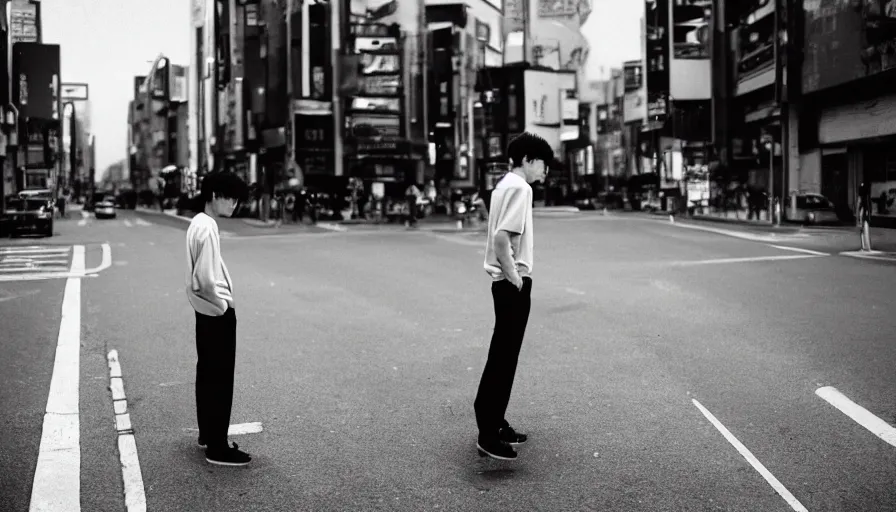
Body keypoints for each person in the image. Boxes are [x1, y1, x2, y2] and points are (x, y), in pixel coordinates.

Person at [474, 132, 551, 461]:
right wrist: (516, 277)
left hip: (499, 282)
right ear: (528, 160)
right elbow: (503, 239)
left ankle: (492, 420)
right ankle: (489, 435)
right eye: (543, 164)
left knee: (500, 355)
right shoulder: (522, 188)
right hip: (510, 283)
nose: (545, 171)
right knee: (505, 358)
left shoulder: (503, 185)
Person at [185, 172, 251, 466]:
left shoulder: (196, 223)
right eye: (230, 197)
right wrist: (223, 305)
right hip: (216, 311)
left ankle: (207, 434)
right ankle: (218, 447)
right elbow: (205, 279)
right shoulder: (208, 227)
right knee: (221, 379)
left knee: (207, 374)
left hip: (203, 311)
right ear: (213, 194)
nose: (234, 204)